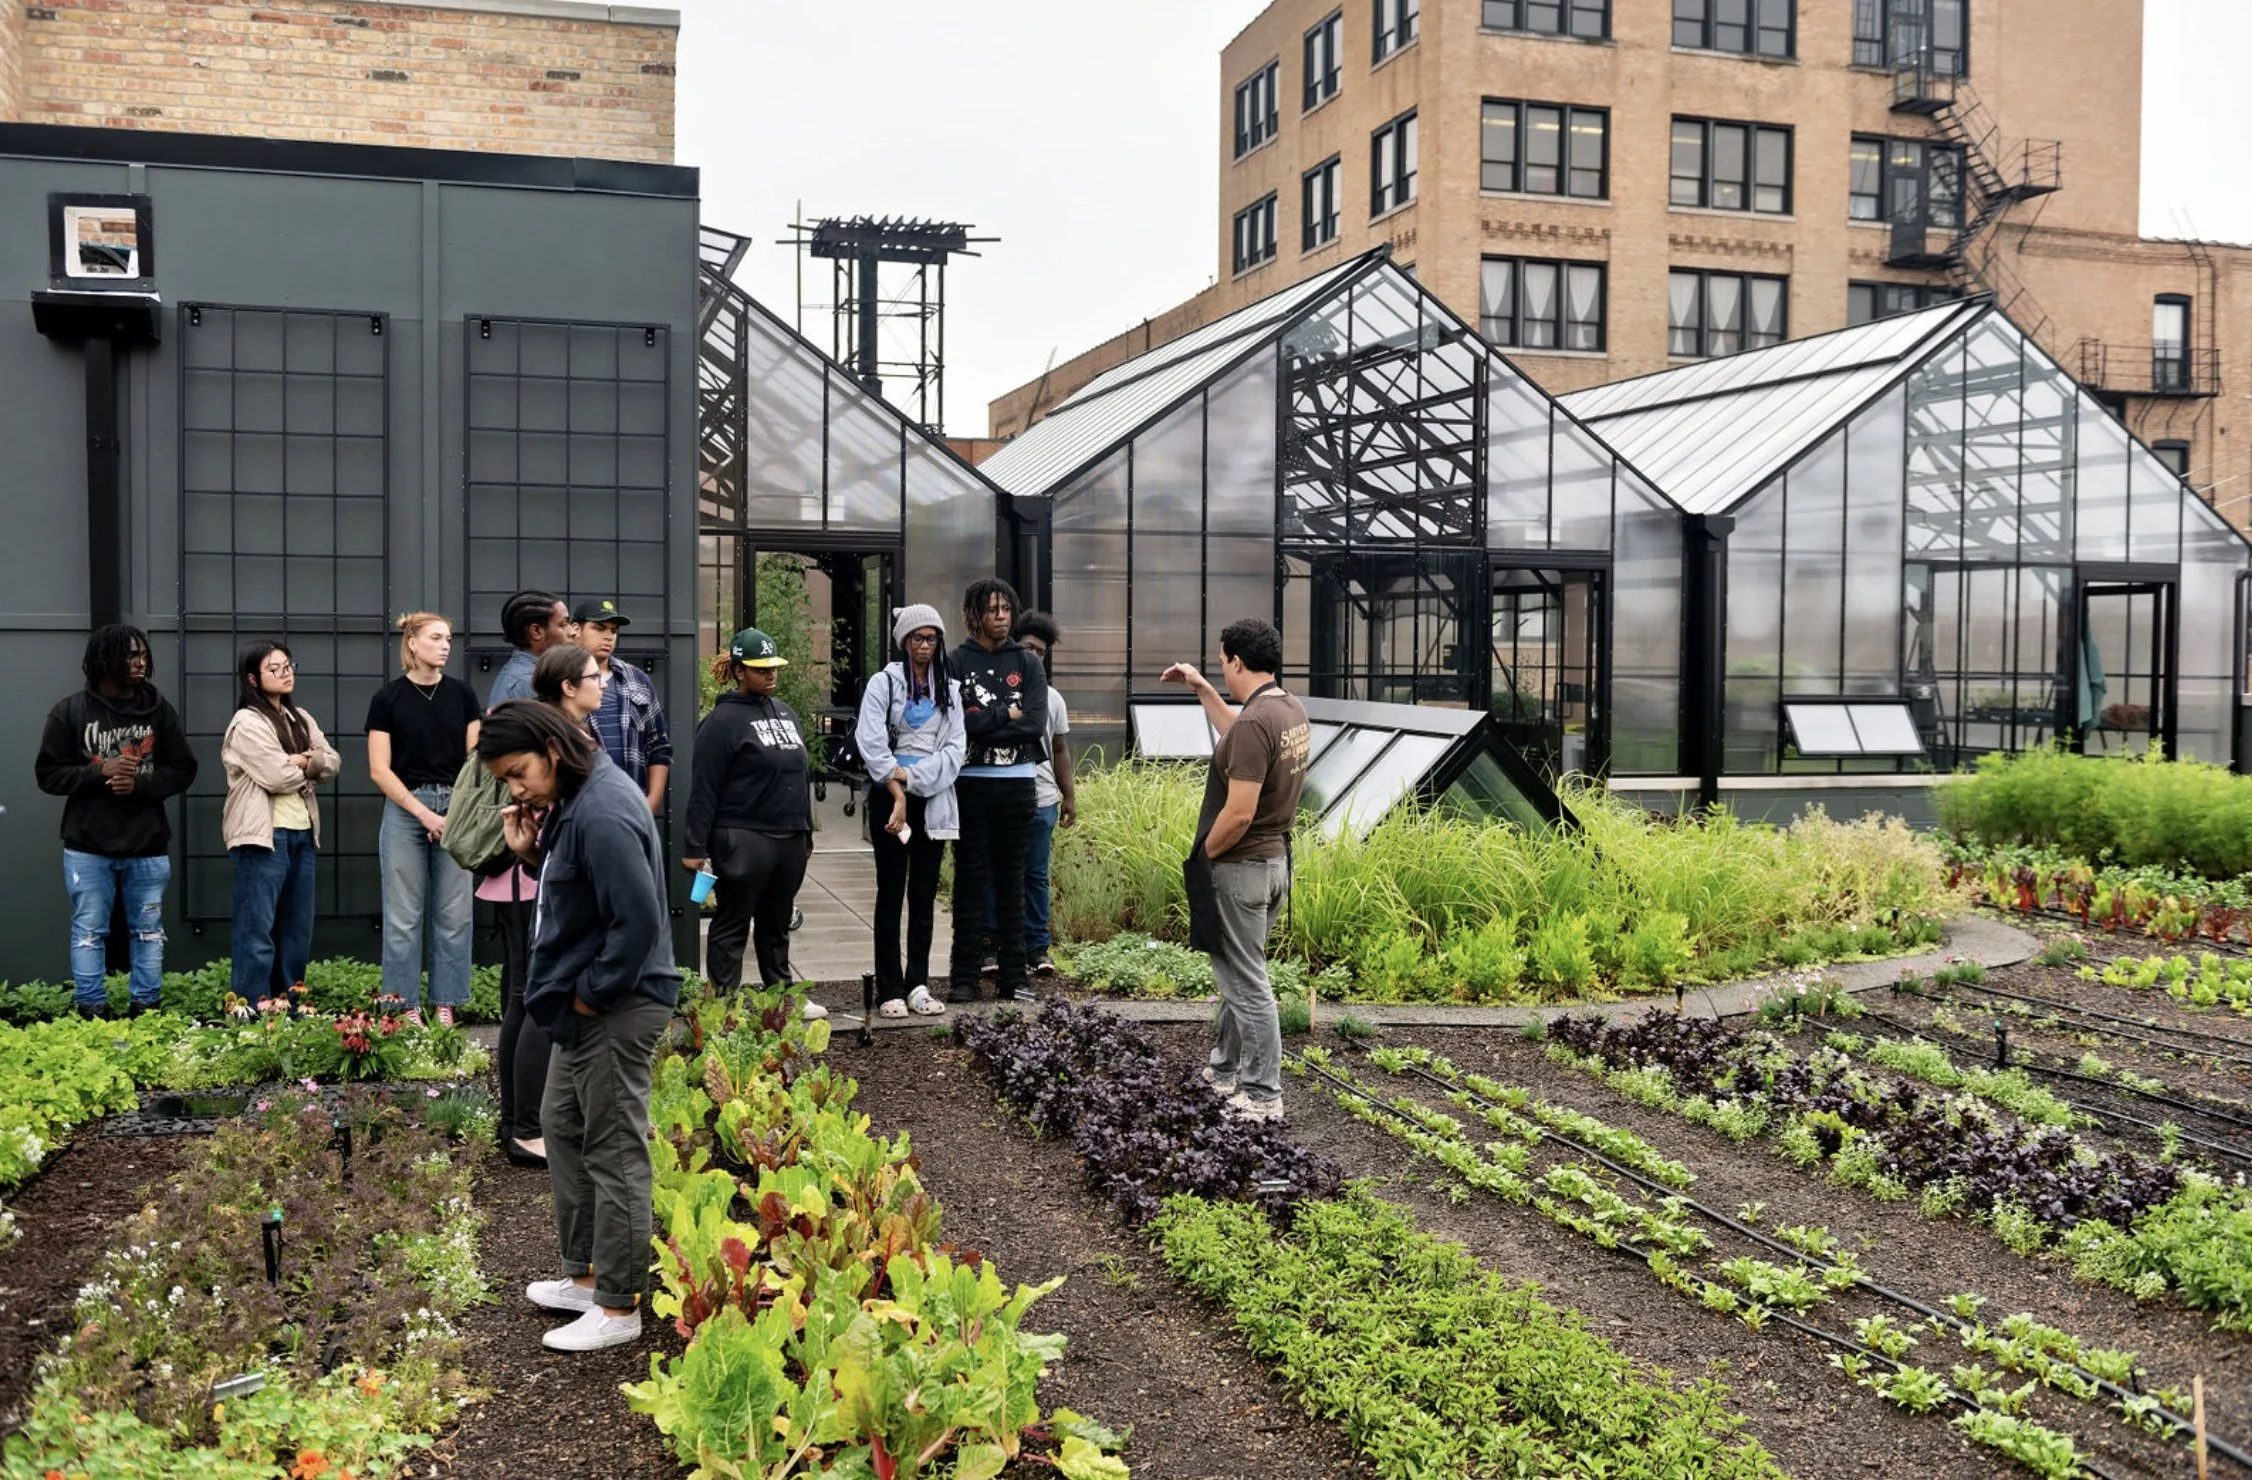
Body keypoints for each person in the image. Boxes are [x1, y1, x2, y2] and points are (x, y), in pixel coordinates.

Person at [479, 700, 679, 1353]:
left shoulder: (602, 810)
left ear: (552, 749)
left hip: (619, 1005)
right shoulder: (574, 799)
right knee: (561, 1126)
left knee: (613, 1144)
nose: (517, 789)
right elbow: (583, 895)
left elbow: (638, 921)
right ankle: (588, 1276)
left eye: (518, 773)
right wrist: (532, 854)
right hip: (588, 1003)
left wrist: (591, 997)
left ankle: (619, 1308)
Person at [1161, 617, 1311, 1123]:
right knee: (1237, 972)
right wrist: (1202, 689)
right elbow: (1238, 739)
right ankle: (1225, 1069)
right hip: (1274, 866)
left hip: (1241, 867)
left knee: (1247, 983)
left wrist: (1205, 854)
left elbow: (1240, 810)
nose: (1221, 669)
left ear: (1238, 662)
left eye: (1221, 663)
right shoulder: (1286, 709)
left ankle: (1264, 1093)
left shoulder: (1255, 723)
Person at [482, 643, 605, 1169]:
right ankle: (526, 1127)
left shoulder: (564, 734)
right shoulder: (553, 740)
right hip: (531, 882)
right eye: (594, 675)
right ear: (567, 687)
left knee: (523, 996)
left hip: (530, 874)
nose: (604, 681)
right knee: (535, 998)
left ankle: (516, 1120)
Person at [34, 624, 199, 1018]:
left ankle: (146, 1008)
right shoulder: (70, 711)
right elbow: (47, 775)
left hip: (148, 845)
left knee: (148, 932)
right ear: (104, 660)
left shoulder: (159, 710)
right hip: (88, 846)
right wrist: (98, 772)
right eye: (130, 655)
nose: (141, 661)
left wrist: (139, 783)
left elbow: (184, 768)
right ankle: (92, 1012)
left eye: (143, 653)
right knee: (89, 932)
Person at [683, 628, 816, 1005]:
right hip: (742, 836)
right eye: (761, 668)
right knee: (732, 924)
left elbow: (800, 775)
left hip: (788, 837)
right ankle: (723, 1007)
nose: (771, 674)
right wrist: (695, 846)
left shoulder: (787, 713)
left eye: (774, 667)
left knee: (776, 925)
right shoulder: (720, 723)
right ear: (740, 671)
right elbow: (704, 788)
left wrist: (805, 832)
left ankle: (781, 1000)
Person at [367, 612, 481, 1028]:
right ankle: (402, 1004)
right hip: (405, 808)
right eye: (436, 637)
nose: (446, 645)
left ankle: (446, 1002)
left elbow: (475, 760)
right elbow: (380, 770)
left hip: (457, 808)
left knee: (454, 914)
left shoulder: (463, 695)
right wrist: (425, 814)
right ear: (412, 643)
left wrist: (454, 814)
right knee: (402, 915)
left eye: (448, 637)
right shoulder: (388, 699)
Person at [854, 603, 964, 1019]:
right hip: (889, 796)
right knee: (890, 891)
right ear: (904, 641)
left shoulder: (950, 689)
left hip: (932, 797)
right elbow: (870, 741)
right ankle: (890, 987)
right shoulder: (885, 683)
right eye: (917, 638)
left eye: (931, 638)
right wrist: (896, 783)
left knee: (923, 893)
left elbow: (955, 750)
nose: (924, 645)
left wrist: (913, 778)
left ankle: (918, 982)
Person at [221, 641, 341, 1007]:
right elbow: (276, 777)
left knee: (296, 926)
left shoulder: (300, 717)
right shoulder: (246, 722)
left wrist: (301, 760)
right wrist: (310, 764)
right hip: (263, 834)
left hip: (303, 831)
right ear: (253, 679)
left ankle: (290, 1001)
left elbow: (333, 763)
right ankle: (250, 1006)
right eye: (275, 668)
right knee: (256, 927)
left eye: (289, 664)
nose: (286, 672)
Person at [947, 579, 1048, 1005]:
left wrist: (984, 718)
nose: (1001, 616)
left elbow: (1034, 724)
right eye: (992, 610)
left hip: (1018, 786)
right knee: (969, 882)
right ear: (974, 615)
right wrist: (1007, 711)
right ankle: (964, 978)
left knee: (1012, 881)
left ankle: (1013, 978)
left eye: (1006, 608)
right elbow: (957, 725)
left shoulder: (1028, 663)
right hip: (970, 785)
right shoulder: (954, 662)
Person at [984, 611, 1076, 978]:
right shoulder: (994, 689)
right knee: (994, 870)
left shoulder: (1053, 699)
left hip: (1041, 799)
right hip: (999, 793)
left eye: (1041, 651)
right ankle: (991, 945)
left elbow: (1060, 750)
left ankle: (1037, 947)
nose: (1034, 655)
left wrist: (1069, 797)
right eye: (1028, 647)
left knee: (1035, 874)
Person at [575, 598, 670, 818]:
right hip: (581, 807)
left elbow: (658, 746)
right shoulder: (563, 678)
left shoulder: (637, 679)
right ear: (575, 629)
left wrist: (652, 802)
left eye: (613, 630)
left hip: (632, 805)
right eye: (599, 628)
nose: (608, 636)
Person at [489, 590, 575, 706]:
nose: (572, 632)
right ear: (536, 631)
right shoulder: (530, 683)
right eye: (563, 624)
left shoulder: (534, 676)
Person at [533, 644, 607, 733]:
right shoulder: (558, 738)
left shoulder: (541, 728)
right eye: (595, 676)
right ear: (569, 687)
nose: (604, 685)